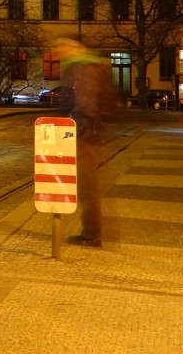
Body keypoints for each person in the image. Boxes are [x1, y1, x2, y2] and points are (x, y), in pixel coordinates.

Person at [52, 37, 116, 248]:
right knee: (86, 185)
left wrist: (72, 133)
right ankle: (91, 230)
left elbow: (85, 105)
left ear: (74, 46)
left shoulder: (84, 69)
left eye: (62, 46)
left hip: (84, 135)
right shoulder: (84, 67)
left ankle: (92, 234)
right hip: (86, 133)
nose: (59, 52)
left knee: (88, 186)